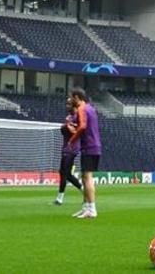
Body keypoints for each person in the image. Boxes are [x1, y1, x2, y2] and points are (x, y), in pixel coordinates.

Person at [66, 87, 100, 218]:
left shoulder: (81, 109)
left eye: (72, 97)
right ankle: (86, 207)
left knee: (87, 177)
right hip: (94, 146)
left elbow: (83, 126)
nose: (70, 100)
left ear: (77, 97)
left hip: (89, 146)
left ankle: (92, 209)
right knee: (85, 177)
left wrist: (72, 139)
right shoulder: (91, 108)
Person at [54, 96, 83, 206]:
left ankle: (59, 199)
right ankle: (84, 191)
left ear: (74, 106)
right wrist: (65, 127)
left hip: (72, 148)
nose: (67, 106)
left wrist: (71, 129)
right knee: (67, 174)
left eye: (69, 104)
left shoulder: (78, 117)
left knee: (63, 172)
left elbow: (79, 131)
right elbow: (65, 131)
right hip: (66, 147)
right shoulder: (69, 117)